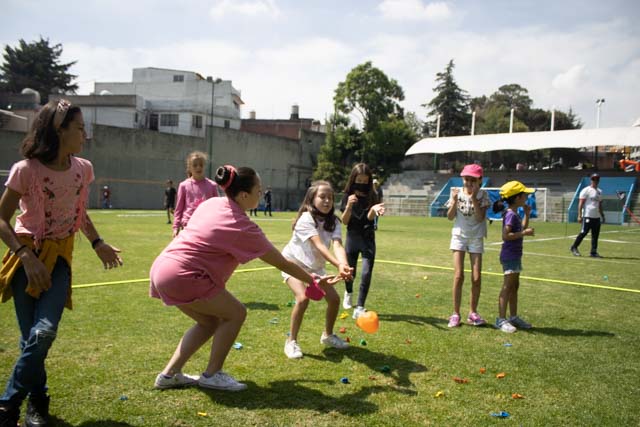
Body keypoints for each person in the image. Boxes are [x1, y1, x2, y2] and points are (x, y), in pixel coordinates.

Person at [150, 166, 342, 391]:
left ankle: (169, 375)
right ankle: (212, 375)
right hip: (184, 275)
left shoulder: (211, 203)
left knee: (209, 321)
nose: (261, 195)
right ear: (243, 195)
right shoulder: (243, 226)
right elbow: (282, 263)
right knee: (236, 313)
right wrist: (312, 280)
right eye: (258, 191)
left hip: (162, 269)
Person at [0, 99, 123, 426]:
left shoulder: (84, 168)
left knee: (43, 333)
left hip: (59, 260)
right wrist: (25, 256)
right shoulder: (25, 170)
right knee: (32, 339)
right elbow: (1, 219)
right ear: (59, 130)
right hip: (25, 260)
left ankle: (7, 405)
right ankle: (37, 404)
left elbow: (79, 212)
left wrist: (98, 243)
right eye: (79, 128)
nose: (85, 134)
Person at [281, 180, 354, 359]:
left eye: (330, 197)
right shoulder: (305, 218)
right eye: (322, 197)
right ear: (311, 199)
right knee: (303, 298)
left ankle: (327, 336)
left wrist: (343, 264)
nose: (327, 201)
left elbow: (337, 245)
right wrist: (338, 265)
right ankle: (291, 342)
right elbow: (320, 245)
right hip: (294, 264)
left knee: (335, 300)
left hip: (316, 267)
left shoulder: (334, 221)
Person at [445, 164, 490, 328]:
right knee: (459, 275)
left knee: (476, 277)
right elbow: (450, 217)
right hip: (459, 236)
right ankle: (455, 314)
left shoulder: (483, 195)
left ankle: (473, 313)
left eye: (473, 180)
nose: (469, 183)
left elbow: (479, 218)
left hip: (476, 237)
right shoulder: (455, 192)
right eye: (466, 179)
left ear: (480, 181)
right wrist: (454, 202)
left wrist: (473, 199)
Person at [340, 164, 385, 319]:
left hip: (367, 239)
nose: (362, 183)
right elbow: (344, 221)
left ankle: (360, 306)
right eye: (359, 180)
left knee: (366, 272)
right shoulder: (348, 195)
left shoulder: (373, 195)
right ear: (353, 179)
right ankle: (348, 292)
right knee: (350, 272)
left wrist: (373, 211)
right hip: (352, 238)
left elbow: (368, 218)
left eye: (365, 181)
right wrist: (348, 206)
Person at [492, 181, 535, 333]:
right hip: (509, 256)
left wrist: (527, 214)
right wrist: (524, 233)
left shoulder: (514, 213)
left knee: (515, 286)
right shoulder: (510, 214)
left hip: (515, 255)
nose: (527, 196)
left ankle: (513, 316)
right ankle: (501, 319)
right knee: (507, 286)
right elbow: (506, 235)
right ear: (517, 198)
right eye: (525, 194)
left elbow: (521, 228)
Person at [173, 151, 219, 237]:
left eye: (201, 165)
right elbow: (179, 209)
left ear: (204, 166)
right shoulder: (183, 185)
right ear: (189, 167)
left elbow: (217, 208)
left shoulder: (212, 185)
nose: (198, 167)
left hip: (206, 227)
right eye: (195, 165)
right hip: (188, 226)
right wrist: (176, 227)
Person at [570, 173, 605, 258]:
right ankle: (574, 247)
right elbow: (580, 204)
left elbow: (600, 205)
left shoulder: (600, 191)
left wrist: (602, 215)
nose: (595, 181)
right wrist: (579, 215)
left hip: (596, 217)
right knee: (583, 233)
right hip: (587, 216)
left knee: (595, 235)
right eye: (594, 179)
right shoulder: (586, 190)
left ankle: (593, 252)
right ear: (591, 180)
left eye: (597, 179)